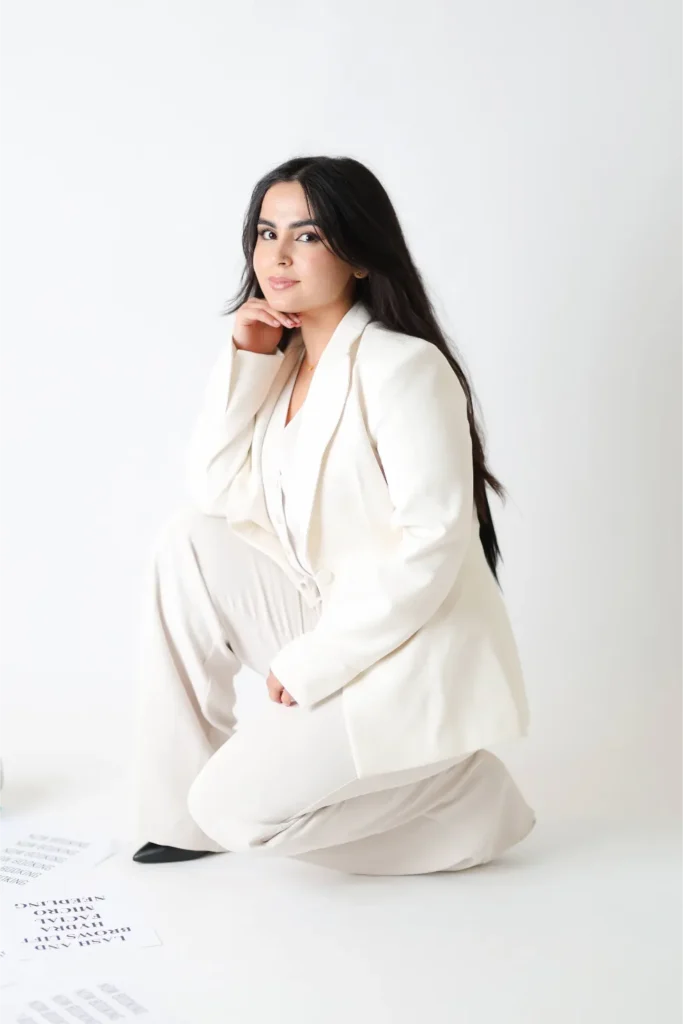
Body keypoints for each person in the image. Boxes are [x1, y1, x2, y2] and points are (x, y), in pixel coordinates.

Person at [129, 155, 536, 875]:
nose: (278, 255)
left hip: (404, 648)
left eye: (308, 235)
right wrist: (248, 358)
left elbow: (434, 542)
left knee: (234, 810)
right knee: (186, 540)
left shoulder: (403, 367)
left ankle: (465, 801)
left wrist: (316, 661)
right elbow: (215, 491)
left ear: (358, 255)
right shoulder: (284, 367)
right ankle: (181, 818)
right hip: (328, 613)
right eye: (267, 233)